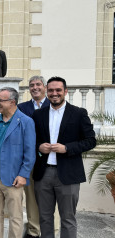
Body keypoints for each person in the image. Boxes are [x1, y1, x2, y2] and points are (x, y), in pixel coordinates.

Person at [32, 77, 96, 238]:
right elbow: (31, 141)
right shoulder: (38, 115)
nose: (55, 94)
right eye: (51, 90)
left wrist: (66, 148)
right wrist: (39, 147)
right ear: (47, 91)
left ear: (65, 92)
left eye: (58, 90)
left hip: (68, 175)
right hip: (43, 173)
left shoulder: (78, 113)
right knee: (45, 218)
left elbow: (90, 140)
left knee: (68, 219)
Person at [0, 87, 36, 238]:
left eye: (0, 100)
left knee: (15, 217)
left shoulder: (26, 122)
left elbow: (30, 153)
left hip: (14, 179)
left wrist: (23, 175)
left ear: (12, 102)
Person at [17, 75, 51, 238]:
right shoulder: (22, 108)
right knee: (30, 197)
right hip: (29, 159)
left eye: (38, 84)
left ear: (44, 87)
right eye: (31, 85)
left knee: (51, 198)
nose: (35, 87)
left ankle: (52, 230)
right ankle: (33, 230)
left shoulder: (54, 105)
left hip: (50, 159)